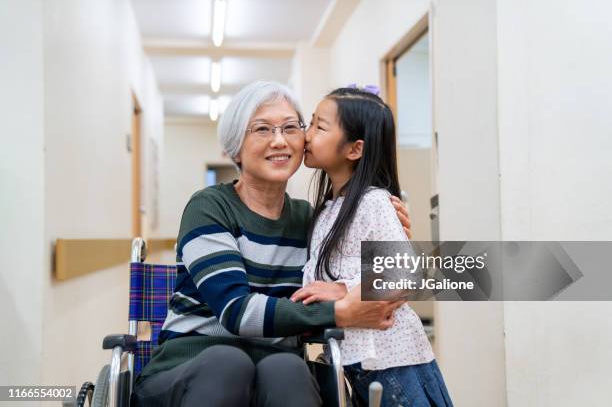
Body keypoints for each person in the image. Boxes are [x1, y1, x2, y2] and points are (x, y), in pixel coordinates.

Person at [131, 81, 412, 407]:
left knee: (289, 367)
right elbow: (236, 311)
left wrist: (391, 232)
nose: (279, 141)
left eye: (291, 127)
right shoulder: (208, 207)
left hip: (275, 371)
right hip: (189, 369)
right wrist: (339, 311)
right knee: (229, 363)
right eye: (262, 129)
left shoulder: (313, 220)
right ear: (234, 147)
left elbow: (405, 278)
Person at [291, 86, 454, 406]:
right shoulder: (327, 209)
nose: (306, 135)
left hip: (392, 360)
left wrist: (342, 289)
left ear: (354, 149)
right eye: (310, 123)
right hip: (360, 360)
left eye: (319, 127)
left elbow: (403, 275)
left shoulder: (374, 202)